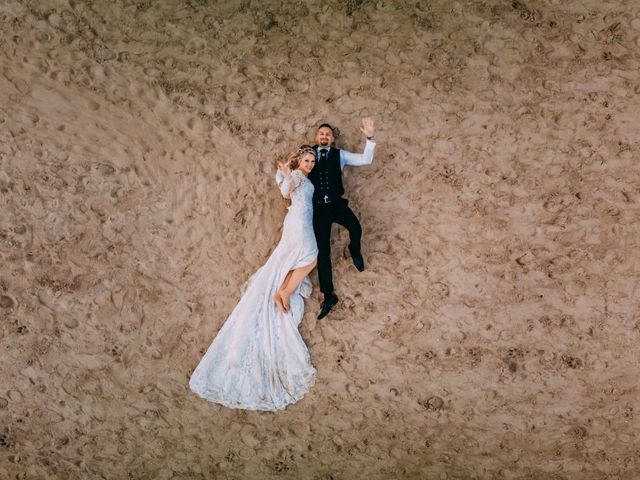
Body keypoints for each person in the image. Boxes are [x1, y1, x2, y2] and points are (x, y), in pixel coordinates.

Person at [189, 146, 318, 411]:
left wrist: (284, 177)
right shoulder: (297, 175)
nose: (310, 164)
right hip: (298, 227)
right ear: (299, 160)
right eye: (307, 160)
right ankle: (283, 292)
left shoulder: (302, 177)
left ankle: (284, 289)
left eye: (312, 161)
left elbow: (286, 188)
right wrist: (286, 176)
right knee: (311, 258)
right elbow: (285, 192)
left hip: (299, 223)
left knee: (301, 260)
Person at [310, 118, 376, 319]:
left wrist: (370, 137)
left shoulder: (340, 155)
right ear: (316, 137)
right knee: (323, 254)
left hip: (336, 205)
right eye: (321, 133)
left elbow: (366, 159)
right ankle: (329, 295)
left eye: (328, 134)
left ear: (332, 139)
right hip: (318, 210)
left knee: (356, 227)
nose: (324, 136)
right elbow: (289, 169)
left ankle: (354, 250)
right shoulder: (307, 154)